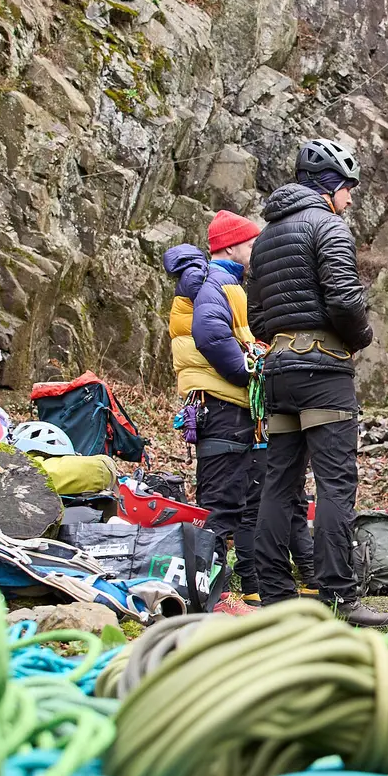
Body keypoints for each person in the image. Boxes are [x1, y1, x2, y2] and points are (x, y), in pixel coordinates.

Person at [246, 138, 388, 627]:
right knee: (335, 484)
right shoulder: (328, 225)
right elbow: (346, 300)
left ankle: (275, 598)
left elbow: (256, 316)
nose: (350, 198)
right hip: (324, 371)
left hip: (278, 372)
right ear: (329, 185)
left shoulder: (265, 238)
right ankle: (340, 598)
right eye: (348, 187)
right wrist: (361, 338)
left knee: (279, 485)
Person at [163, 211, 262, 608]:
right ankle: (211, 598)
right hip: (222, 407)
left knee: (228, 502)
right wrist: (246, 372)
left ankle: (220, 592)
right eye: (251, 244)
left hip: (218, 407)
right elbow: (210, 334)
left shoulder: (216, 280)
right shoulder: (216, 281)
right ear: (232, 246)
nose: (255, 251)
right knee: (221, 505)